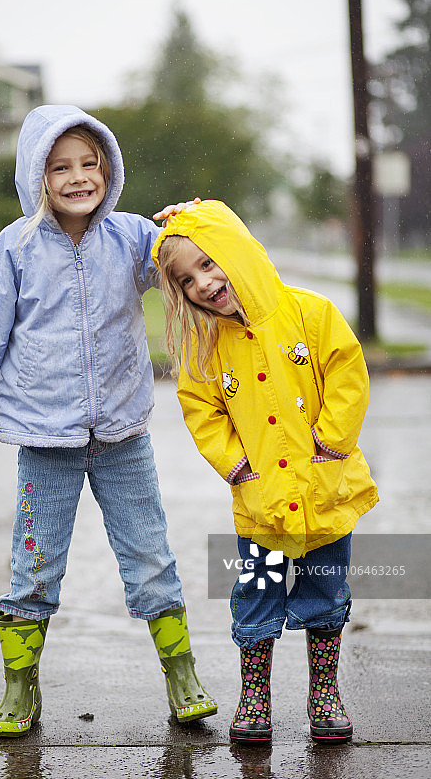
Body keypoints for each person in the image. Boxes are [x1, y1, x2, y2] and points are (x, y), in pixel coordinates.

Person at [0, 105, 216, 737]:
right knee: (35, 564)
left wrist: (197, 222)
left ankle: (182, 673)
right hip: (44, 438)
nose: (78, 177)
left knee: (149, 557)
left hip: (122, 435)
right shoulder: (17, 248)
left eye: (90, 163)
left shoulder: (134, 238)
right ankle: (20, 686)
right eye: (61, 167)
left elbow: (190, 256)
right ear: (37, 176)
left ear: (107, 168)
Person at [152, 199, 379, 745]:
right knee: (258, 590)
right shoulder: (207, 347)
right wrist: (238, 467)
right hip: (262, 500)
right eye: (187, 280)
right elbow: (200, 409)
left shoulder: (309, 313)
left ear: (238, 252)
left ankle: (324, 689)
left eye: (209, 264)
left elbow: (348, 373)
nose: (203, 284)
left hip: (326, 488)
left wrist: (330, 439)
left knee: (325, 588)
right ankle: (255, 691)